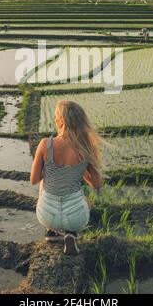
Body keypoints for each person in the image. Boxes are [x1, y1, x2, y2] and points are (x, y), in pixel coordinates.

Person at [30, 100, 103, 255]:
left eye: (56, 116)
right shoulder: (87, 147)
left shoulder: (45, 144)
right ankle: (71, 233)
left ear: (61, 120)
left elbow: (34, 179)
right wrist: (79, 170)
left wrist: (52, 171)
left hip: (47, 215)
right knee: (86, 201)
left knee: (44, 182)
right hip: (76, 217)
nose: (55, 119)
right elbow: (96, 184)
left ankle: (51, 232)